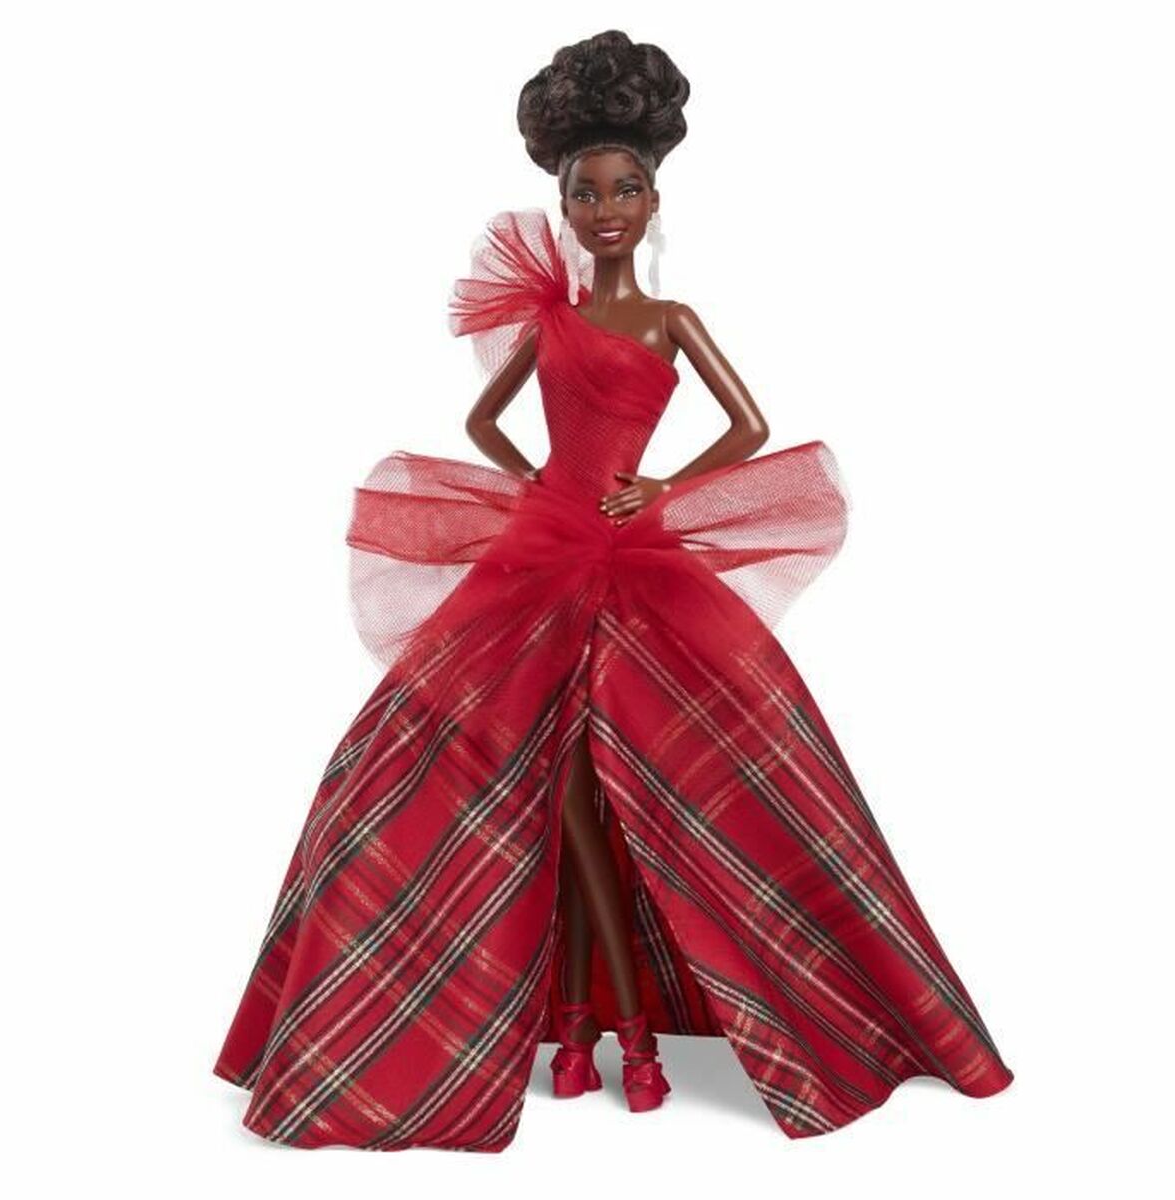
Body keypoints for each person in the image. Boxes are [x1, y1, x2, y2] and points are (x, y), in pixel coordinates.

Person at [212, 28, 1013, 1152]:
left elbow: (750, 428)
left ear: (654, 199)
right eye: (586, 192)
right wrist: (541, 490)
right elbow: (485, 424)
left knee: (711, 768)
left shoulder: (671, 322)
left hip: (632, 559)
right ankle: (592, 1028)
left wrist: (663, 489)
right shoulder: (553, 320)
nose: (606, 210)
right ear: (562, 202)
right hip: (544, 554)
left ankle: (632, 1026)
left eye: (625, 190)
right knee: (453, 769)